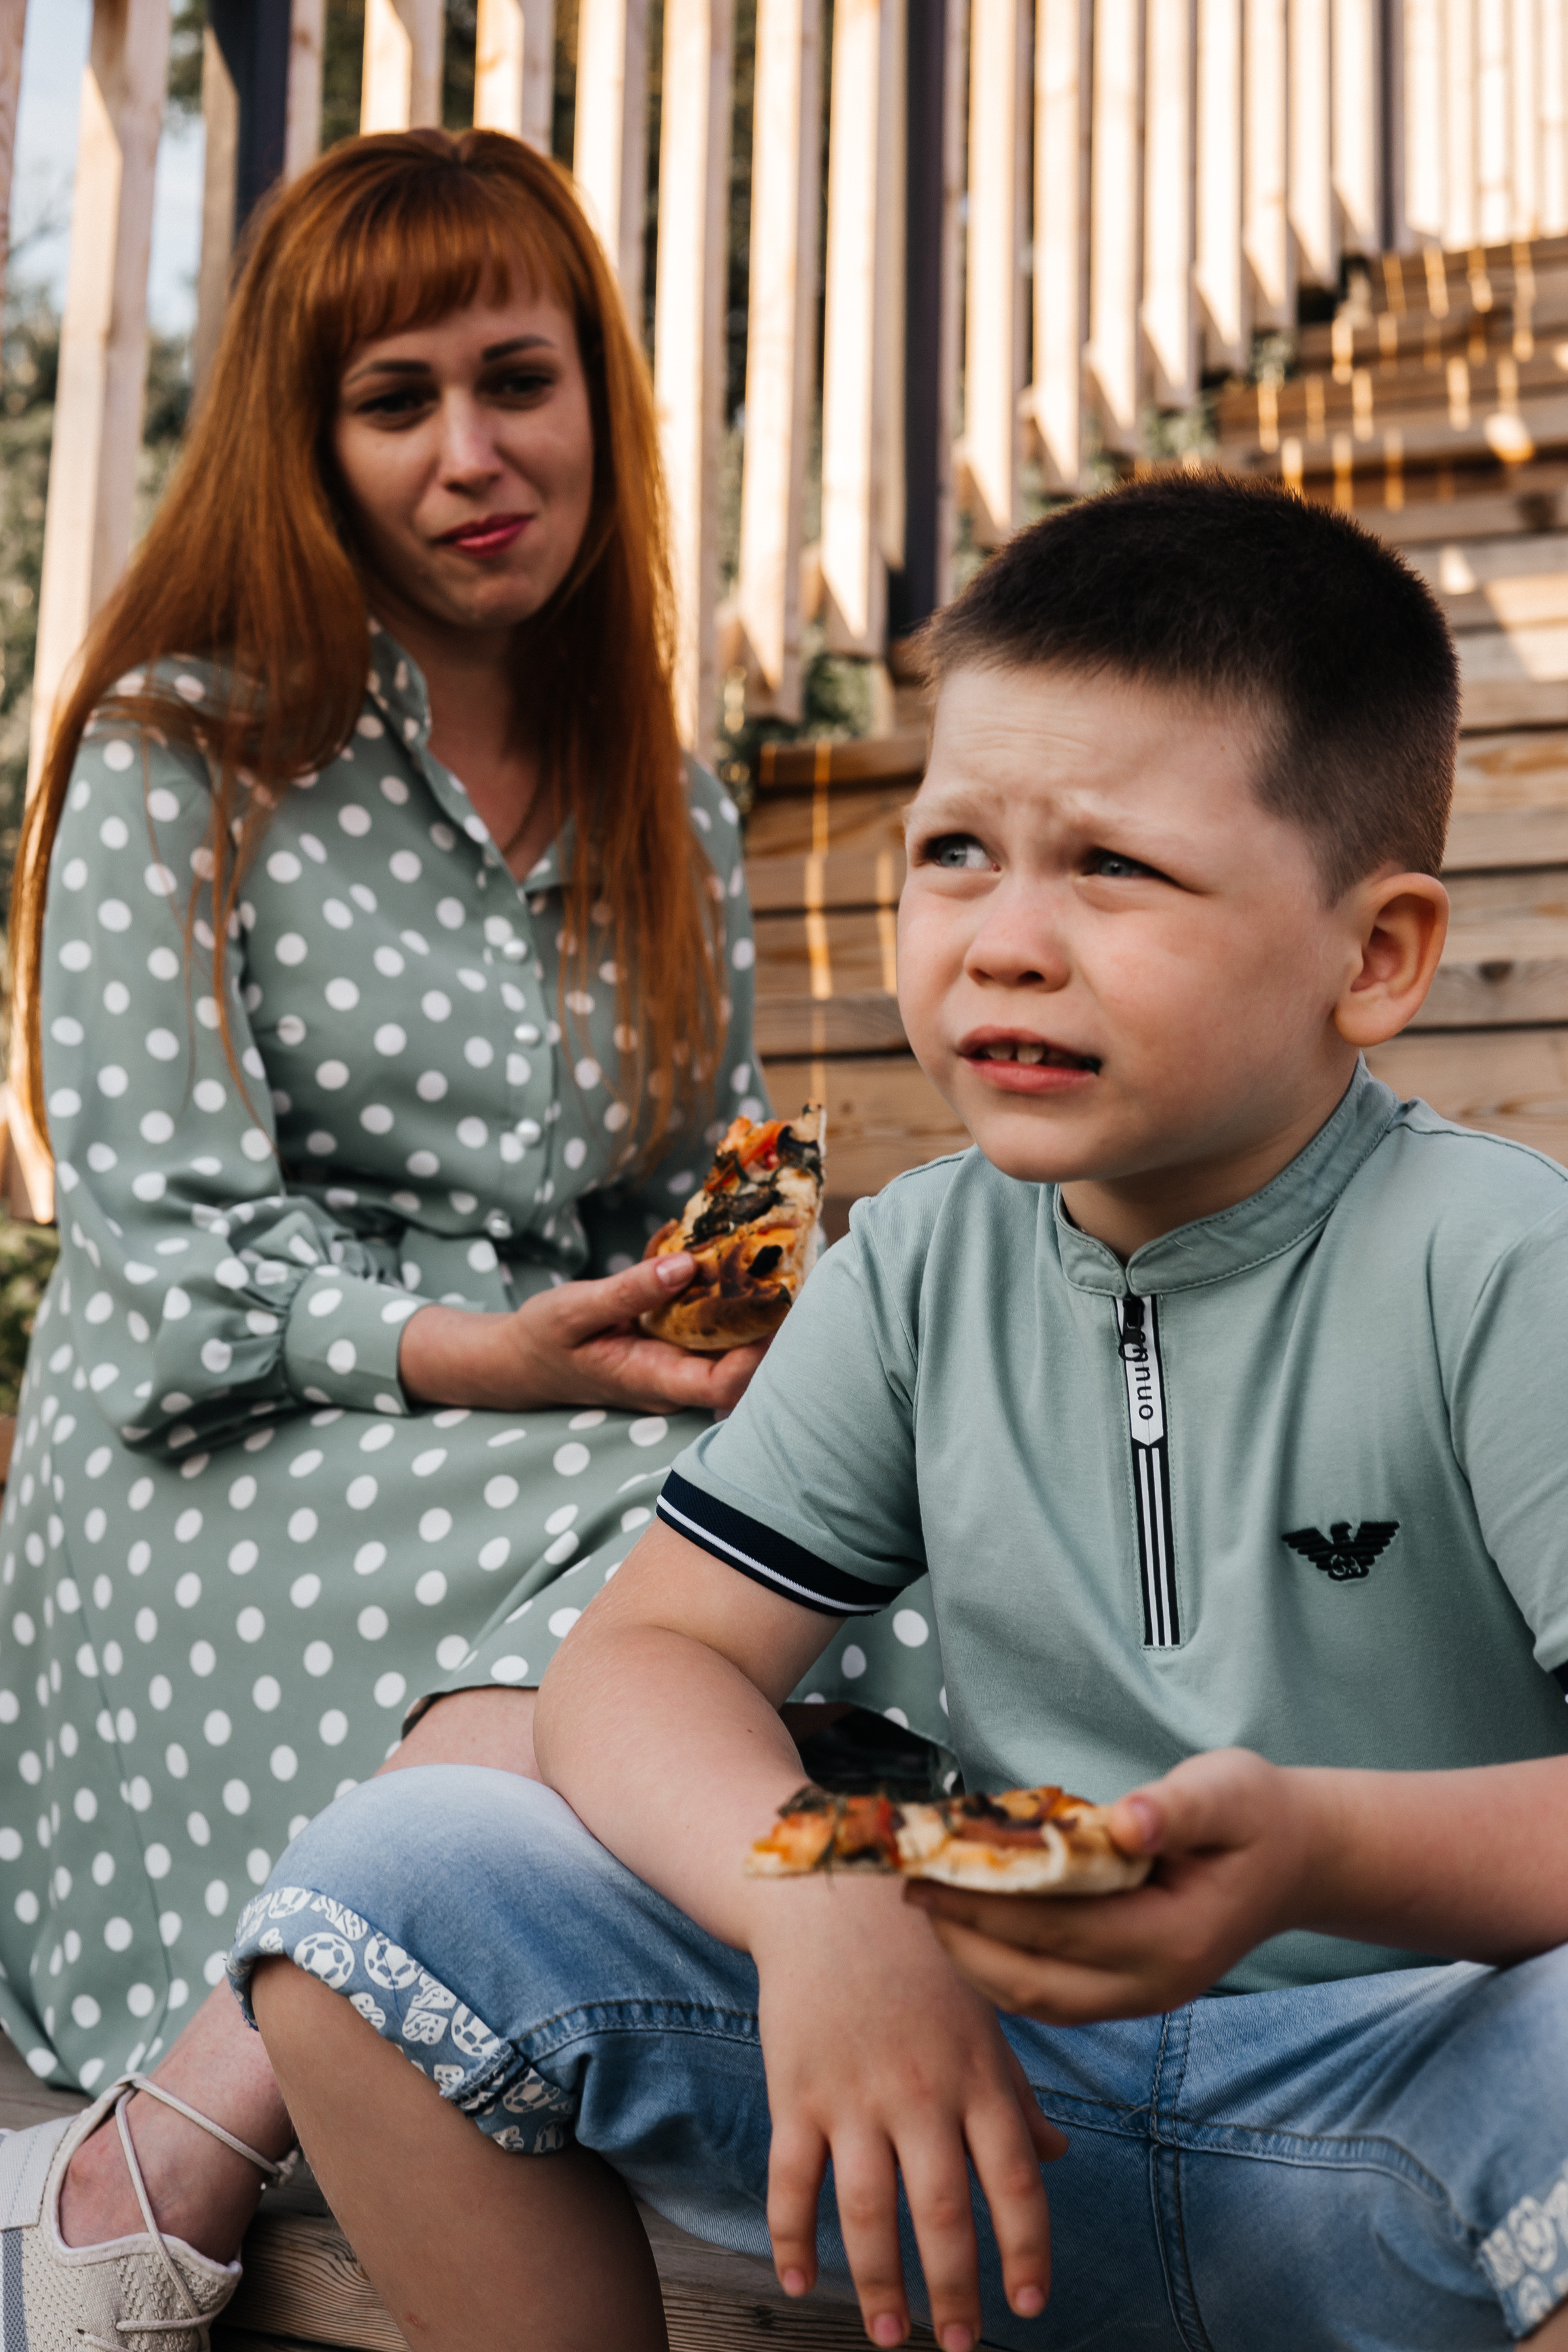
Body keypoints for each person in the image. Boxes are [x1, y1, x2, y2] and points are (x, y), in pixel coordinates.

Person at [219, 477, 1568, 2352]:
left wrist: (1326, 1852)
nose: (1004, 940)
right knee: (387, 1881)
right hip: (994, 2116)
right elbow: (653, 1654)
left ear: (1378, 956)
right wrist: (821, 1892)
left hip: (1438, 2114)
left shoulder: (1502, 1268)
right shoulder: (921, 1261)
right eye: (955, 852)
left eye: (1113, 867)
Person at [0, 126, 946, 2349]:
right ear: (303, 445)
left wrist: (749, 1302)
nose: (473, 455)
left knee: (852, 1506)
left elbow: (686, 1179)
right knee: (693, 1554)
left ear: (596, 396)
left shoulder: (669, 788)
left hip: (559, 1414)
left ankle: (254, 2097)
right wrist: (494, 1355)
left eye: (517, 379)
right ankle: (198, 2117)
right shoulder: (179, 756)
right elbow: (162, 1254)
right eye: (393, 400)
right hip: (225, 1465)